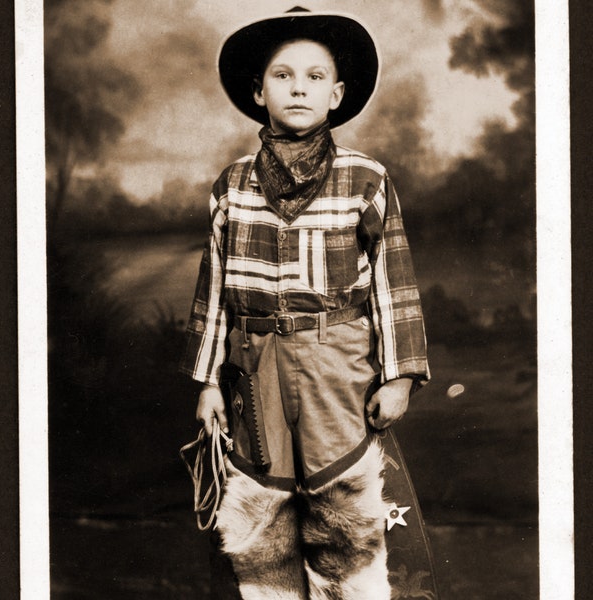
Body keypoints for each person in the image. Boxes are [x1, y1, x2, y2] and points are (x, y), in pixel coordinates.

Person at [180, 7, 430, 599]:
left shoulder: (365, 178)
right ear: (257, 91)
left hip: (336, 363)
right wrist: (208, 382)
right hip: (254, 364)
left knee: (342, 506)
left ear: (338, 94)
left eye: (316, 77)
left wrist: (399, 378)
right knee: (261, 510)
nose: (298, 87)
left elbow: (395, 283)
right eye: (283, 76)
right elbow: (213, 288)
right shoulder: (232, 185)